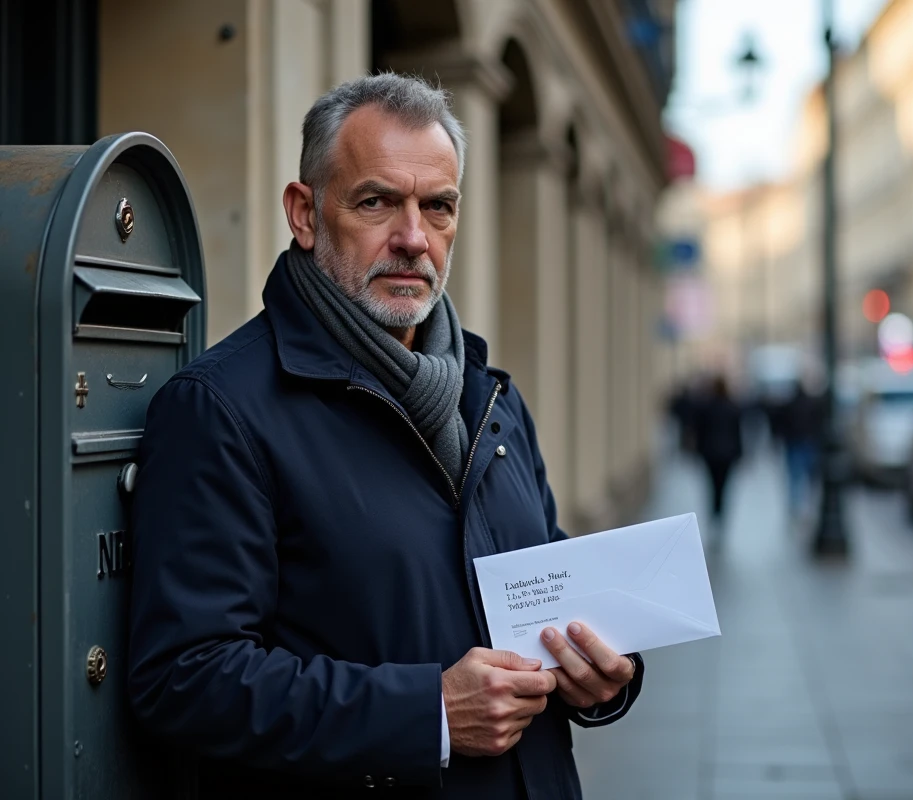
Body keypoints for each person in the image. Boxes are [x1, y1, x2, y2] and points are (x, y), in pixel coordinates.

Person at [126, 74, 643, 799]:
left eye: (438, 207)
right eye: (377, 202)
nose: (412, 237)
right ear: (304, 214)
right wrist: (426, 711)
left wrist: (601, 675)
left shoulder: (489, 395)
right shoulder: (221, 409)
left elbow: (550, 594)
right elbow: (183, 677)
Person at [693, 374, 744, 523]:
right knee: (724, 485)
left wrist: (699, 451)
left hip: (710, 453)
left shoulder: (706, 407)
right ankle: (720, 512)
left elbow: (700, 432)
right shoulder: (733, 407)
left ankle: (714, 512)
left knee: (712, 485)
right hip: (727, 454)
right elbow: (737, 433)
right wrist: (740, 453)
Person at [779, 379, 825, 518]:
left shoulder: (789, 404)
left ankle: (795, 505)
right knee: (808, 475)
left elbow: (783, 424)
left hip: (794, 443)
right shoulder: (810, 403)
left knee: (795, 476)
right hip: (806, 442)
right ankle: (807, 505)